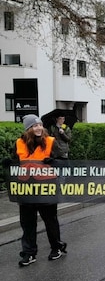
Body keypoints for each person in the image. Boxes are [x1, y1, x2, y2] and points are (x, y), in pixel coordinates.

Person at [15, 114, 67, 267]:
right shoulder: (19, 143)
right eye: (34, 126)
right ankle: (29, 253)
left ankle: (56, 247)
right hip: (26, 188)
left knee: (50, 220)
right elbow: (16, 162)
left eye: (40, 125)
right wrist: (8, 164)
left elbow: (64, 164)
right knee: (27, 223)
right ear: (28, 129)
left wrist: (54, 162)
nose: (38, 128)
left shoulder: (51, 142)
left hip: (46, 187)